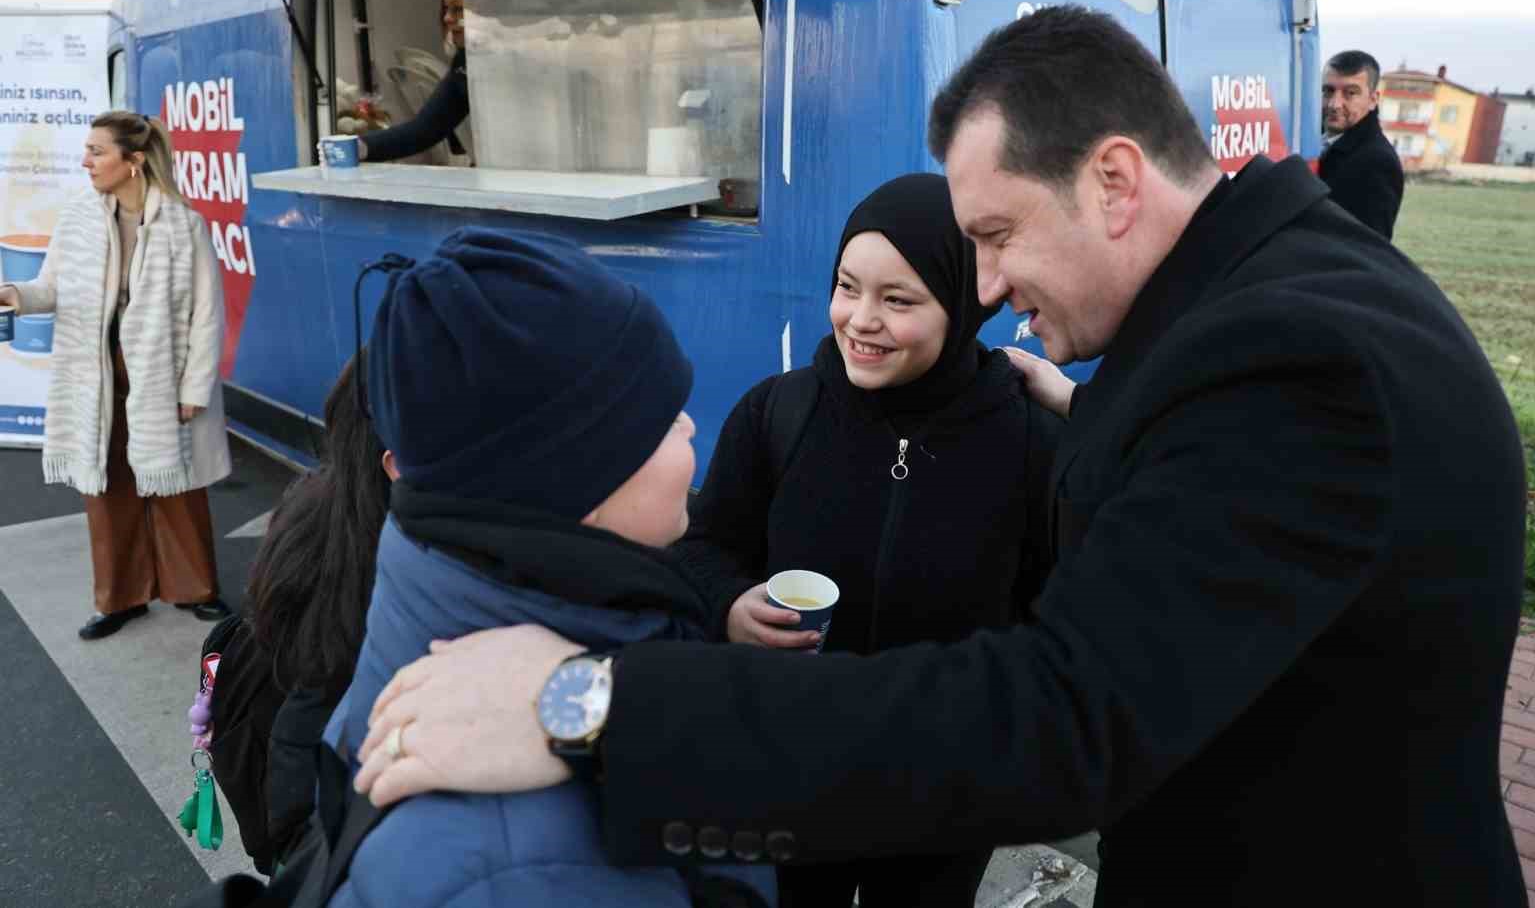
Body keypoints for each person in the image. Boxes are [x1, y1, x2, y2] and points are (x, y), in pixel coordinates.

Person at [349, 7, 1529, 906]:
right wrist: (1098, 410)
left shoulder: (1282, 359)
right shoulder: (1277, 302)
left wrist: (596, 705)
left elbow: (1060, 715)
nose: (991, 288)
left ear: (1114, 180)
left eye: (996, 237)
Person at [320, 228, 776, 907]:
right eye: (659, 419)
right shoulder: (523, 871)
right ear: (573, 486)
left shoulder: (432, 584)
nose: (687, 428)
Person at [674, 172, 1063, 907]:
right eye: (848, 287)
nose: (859, 319)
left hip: (944, 789)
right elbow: (699, 548)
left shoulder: (1026, 441)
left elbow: (1053, 617)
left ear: (959, 304)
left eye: (898, 300)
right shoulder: (778, 414)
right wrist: (729, 604)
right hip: (791, 769)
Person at [0, 112, 232, 640]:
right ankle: (120, 597)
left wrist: (194, 388)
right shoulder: (80, 216)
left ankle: (196, 589)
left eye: (97, 152)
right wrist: (16, 295)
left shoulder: (182, 222)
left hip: (161, 371)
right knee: (105, 485)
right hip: (96, 369)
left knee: (175, 482)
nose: (86, 161)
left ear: (134, 162)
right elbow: (52, 286)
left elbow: (207, 312)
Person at [197, 354, 393, 874]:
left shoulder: (314, 504)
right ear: (396, 460)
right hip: (322, 821)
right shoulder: (397, 558)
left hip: (280, 798)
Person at [357, 0, 471, 165]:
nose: (447, 18)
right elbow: (424, 130)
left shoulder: (522, 57)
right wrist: (358, 147)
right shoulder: (464, 64)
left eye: (457, 9)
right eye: (446, 9)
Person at [1319, 49, 1405, 238]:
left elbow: (1369, 249)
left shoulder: (1377, 162)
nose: (1334, 104)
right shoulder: (1310, 137)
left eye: (1350, 93)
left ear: (1373, 100)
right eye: (1328, 91)